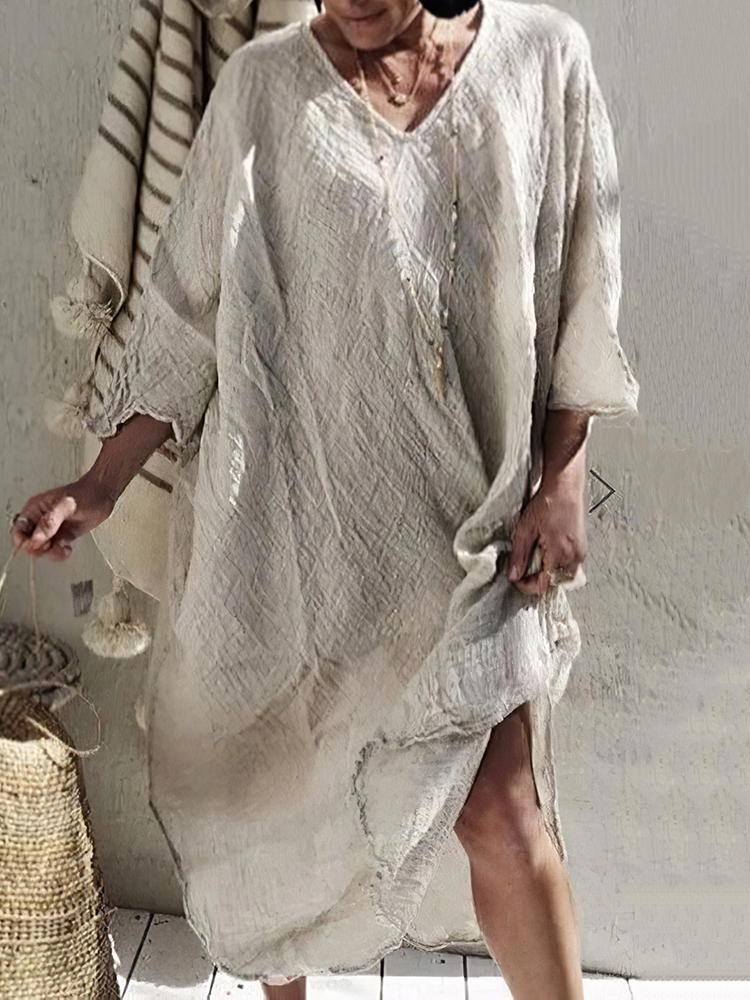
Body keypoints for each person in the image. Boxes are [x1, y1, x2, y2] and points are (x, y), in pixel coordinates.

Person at [11, 0, 638, 996]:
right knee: (272, 811)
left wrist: (561, 477)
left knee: (502, 812)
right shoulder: (263, 86)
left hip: (470, 536)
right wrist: (100, 482)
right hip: (289, 531)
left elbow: (582, 291)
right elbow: (186, 305)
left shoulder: (542, 63)